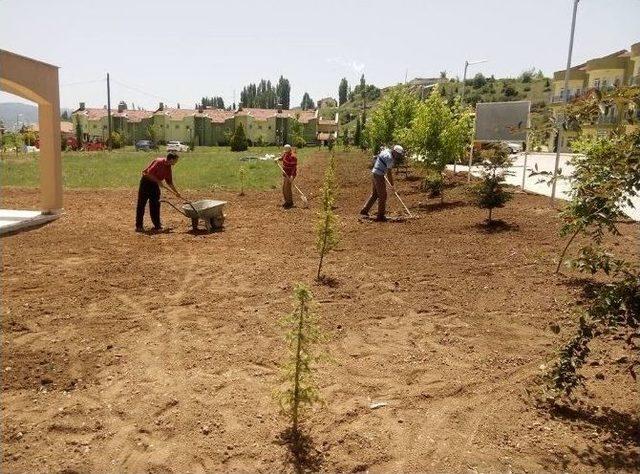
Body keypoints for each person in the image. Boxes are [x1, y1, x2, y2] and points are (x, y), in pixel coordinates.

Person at [135, 152, 182, 232]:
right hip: (146, 182)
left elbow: (169, 182)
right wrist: (158, 181)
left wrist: (176, 192)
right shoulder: (159, 162)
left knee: (155, 204)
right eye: (176, 160)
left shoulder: (168, 167)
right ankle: (139, 226)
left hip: (155, 185)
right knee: (141, 204)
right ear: (171, 159)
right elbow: (149, 173)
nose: (176, 162)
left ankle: (157, 225)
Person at [360, 144, 404, 222]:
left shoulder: (386, 151)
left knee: (375, 194)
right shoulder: (390, 158)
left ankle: (364, 211)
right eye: (397, 154)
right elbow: (389, 173)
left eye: (399, 154)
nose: (398, 156)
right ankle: (380, 216)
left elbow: (377, 158)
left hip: (374, 173)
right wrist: (392, 185)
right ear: (394, 151)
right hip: (379, 175)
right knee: (383, 196)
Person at [275, 144, 297, 208]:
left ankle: (290, 202)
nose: (285, 152)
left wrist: (292, 176)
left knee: (287, 188)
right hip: (285, 174)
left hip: (290, 174)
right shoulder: (285, 154)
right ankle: (287, 201)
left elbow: (294, 168)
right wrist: (277, 159)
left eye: (286, 151)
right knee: (284, 188)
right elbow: (282, 158)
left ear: (289, 150)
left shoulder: (293, 157)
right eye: (285, 151)